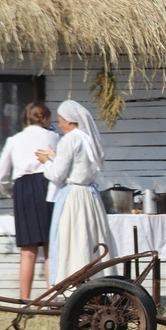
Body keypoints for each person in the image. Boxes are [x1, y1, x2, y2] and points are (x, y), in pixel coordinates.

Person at [35, 100, 117, 285]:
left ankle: (76, 284)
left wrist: (45, 161)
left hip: (74, 198)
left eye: (61, 120)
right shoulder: (87, 138)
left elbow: (57, 175)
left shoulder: (70, 139)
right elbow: (78, 166)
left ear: (70, 121)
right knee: (89, 239)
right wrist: (55, 156)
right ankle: (97, 281)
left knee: (75, 240)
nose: (60, 124)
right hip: (89, 196)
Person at [0, 102, 60, 299]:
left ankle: (24, 301)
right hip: (49, 186)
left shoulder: (15, 139)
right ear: (45, 118)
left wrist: (12, 191)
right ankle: (51, 299)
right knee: (49, 248)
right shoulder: (54, 137)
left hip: (24, 189)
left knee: (28, 251)